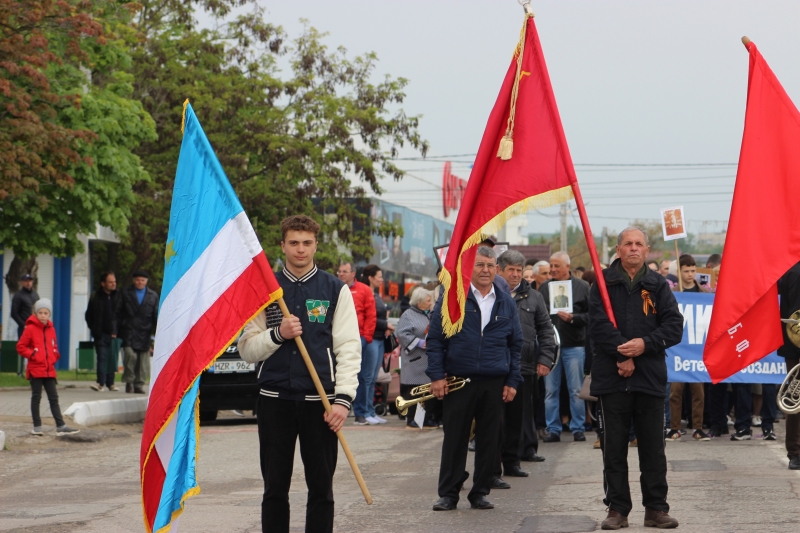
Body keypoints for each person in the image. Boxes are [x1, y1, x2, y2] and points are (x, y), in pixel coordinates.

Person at [238, 215, 361, 533]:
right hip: (274, 401)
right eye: (293, 242)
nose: (300, 249)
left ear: (316, 245)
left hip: (320, 404)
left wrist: (343, 400)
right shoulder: (265, 290)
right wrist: (278, 333)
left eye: (307, 243)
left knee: (322, 489)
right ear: (282, 245)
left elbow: (348, 348)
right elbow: (247, 349)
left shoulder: (335, 289)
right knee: (274, 488)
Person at [589, 227, 683, 529]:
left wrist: (643, 346)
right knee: (613, 449)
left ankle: (656, 508)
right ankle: (617, 509)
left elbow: (673, 326)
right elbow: (598, 326)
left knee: (653, 450)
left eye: (638, 244)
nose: (633, 248)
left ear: (647, 250)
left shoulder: (658, 285)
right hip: (611, 378)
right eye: (627, 244)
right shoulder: (602, 283)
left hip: (649, 378)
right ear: (618, 249)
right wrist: (622, 355)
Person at [427, 247, 523, 511]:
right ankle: (448, 493)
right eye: (480, 264)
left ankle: (480, 492)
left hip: (494, 381)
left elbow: (516, 345)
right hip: (459, 380)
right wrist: (436, 376)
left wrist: (512, 381)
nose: (485, 270)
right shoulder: (452, 298)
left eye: (491, 265)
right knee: (455, 439)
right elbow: (435, 340)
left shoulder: (506, 301)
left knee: (489, 440)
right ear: (470, 268)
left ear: (497, 270)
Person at [495, 250, 554, 480]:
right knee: (495, 420)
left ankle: (512, 462)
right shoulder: (491, 294)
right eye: (511, 270)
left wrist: (545, 359)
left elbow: (546, 330)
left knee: (516, 418)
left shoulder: (534, 297)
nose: (516, 275)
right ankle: (492, 468)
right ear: (500, 269)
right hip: (496, 365)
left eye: (519, 271)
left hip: (524, 366)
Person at [539, 252, 590, 442]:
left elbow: (592, 315)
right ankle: (553, 428)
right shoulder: (544, 288)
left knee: (576, 389)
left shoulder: (582, 287)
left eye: (556, 266)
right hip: (550, 348)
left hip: (574, 345)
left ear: (567, 267)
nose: (552, 269)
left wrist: (573, 318)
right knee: (551, 390)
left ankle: (578, 427)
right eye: (551, 266)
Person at [16, 299, 79, 436]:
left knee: (54, 398)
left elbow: (54, 346)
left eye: (46, 313)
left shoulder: (51, 329)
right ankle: (37, 426)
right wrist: (33, 354)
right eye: (40, 312)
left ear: (49, 314)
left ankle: (60, 425)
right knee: (36, 397)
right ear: (36, 313)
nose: (43, 315)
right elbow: (20, 347)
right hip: (35, 369)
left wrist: (55, 355)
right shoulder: (30, 328)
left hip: (49, 370)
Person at [666, 255, 710, 441]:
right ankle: (674, 427)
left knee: (698, 392)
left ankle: (697, 428)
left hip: (697, 350)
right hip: (678, 349)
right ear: (679, 272)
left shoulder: (704, 295)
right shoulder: (672, 294)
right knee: (675, 391)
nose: (690, 274)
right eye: (686, 271)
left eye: (693, 270)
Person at [354, 264, 393, 425]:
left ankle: (369, 410)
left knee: (372, 378)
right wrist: (386, 325)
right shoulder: (364, 292)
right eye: (379, 276)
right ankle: (362, 412)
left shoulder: (375, 294)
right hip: (370, 339)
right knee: (366, 377)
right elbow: (369, 318)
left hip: (379, 339)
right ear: (370, 278)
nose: (382, 279)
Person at [337, 261, 376, 426]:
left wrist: (366, 337)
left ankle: (360, 413)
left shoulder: (364, 290)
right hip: (337, 337)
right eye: (339, 271)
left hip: (358, 338)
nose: (341, 274)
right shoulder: (334, 287)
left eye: (344, 271)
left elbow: (371, 315)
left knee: (359, 376)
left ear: (353, 273)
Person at [397, 288, 436, 428]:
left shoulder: (429, 314)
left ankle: (425, 419)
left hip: (426, 359)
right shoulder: (408, 315)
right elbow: (401, 334)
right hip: (414, 359)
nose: (431, 302)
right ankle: (411, 418)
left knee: (427, 391)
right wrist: (419, 342)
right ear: (419, 303)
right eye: (428, 300)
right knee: (414, 390)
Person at [119, 270, 159, 394]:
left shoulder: (153, 296)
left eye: (142, 280)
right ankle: (129, 382)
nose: (139, 282)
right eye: (137, 280)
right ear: (133, 280)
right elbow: (118, 312)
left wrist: (157, 332)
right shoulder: (125, 293)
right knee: (130, 356)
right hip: (129, 330)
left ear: (146, 282)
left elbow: (156, 315)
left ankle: (139, 385)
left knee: (143, 361)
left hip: (144, 332)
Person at [778, 261, 800, 469]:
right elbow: (794, 314)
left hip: (794, 345)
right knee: (795, 400)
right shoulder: (794, 272)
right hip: (797, 345)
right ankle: (795, 452)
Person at [85, 272, 122, 392]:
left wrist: (117, 330)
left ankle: (111, 383)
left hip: (115, 334)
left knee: (112, 358)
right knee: (102, 357)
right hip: (100, 334)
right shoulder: (95, 296)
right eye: (110, 282)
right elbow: (88, 315)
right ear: (103, 283)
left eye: (114, 281)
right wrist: (94, 328)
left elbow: (121, 315)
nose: (113, 284)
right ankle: (100, 383)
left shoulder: (119, 296)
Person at [11, 273, 39, 339]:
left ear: (32, 282)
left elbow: (39, 310)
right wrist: (23, 325)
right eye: (26, 281)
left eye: (29, 281)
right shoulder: (18, 295)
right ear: (22, 282)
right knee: (24, 347)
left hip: (35, 327)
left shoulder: (35, 294)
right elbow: (14, 313)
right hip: (24, 328)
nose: (28, 283)